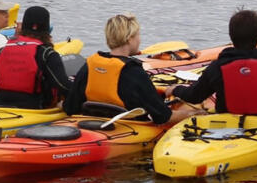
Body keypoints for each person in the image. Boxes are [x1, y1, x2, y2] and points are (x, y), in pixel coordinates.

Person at [165, 9, 257, 121]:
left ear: (231, 36)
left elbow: (194, 96)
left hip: (228, 122)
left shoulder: (217, 67)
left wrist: (176, 89)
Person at [65, 14, 197, 123]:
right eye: (137, 35)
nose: (139, 40)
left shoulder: (90, 64)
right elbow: (164, 117)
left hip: (90, 124)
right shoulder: (134, 72)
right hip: (127, 129)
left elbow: (70, 108)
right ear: (129, 39)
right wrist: (193, 113)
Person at [0, 5, 72, 108]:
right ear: (47, 29)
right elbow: (62, 85)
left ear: (23, 26)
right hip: (33, 108)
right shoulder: (47, 53)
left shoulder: (3, 50)